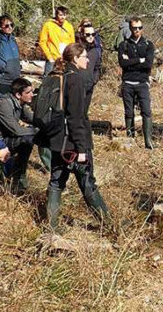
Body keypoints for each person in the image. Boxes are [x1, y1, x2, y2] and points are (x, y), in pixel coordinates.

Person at [42, 42, 112, 233]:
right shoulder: (77, 79)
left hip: (57, 140)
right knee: (87, 181)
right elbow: (76, 117)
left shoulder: (57, 75)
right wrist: (81, 148)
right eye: (84, 56)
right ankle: (110, 225)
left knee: (56, 182)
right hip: (73, 142)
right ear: (75, 58)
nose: (88, 59)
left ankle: (52, 227)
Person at [0, 78, 37, 194]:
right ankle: (10, 179)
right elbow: (16, 130)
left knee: (28, 141)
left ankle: (19, 175)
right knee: (27, 140)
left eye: (32, 91)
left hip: (5, 138)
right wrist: (37, 132)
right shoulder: (4, 103)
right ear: (18, 94)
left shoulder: (20, 103)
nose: (32, 94)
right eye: (28, 92)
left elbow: (32, 119)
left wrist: (50, 124)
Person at [117, 17, 155, 149]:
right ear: (130, 28)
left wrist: (131, 61)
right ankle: (130, 139)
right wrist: (140, 60)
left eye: (139, 28)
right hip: (127, 83)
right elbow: (122, 64)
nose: (137, 30)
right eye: (134, 28)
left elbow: (148, 64)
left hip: (142, 83)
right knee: (129, 112)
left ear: (142, 28)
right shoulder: (124, 45)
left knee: (146, 111)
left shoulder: (148, 45)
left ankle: (148, 141)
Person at [0, 15, 22, 95]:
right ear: (0, 27)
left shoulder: (13, 41)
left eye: (11, 25)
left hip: (15, 81)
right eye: (6, 26)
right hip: (1, 82)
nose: (10, 27)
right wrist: (2, 68)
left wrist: (18, 66)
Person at [38, 6, 75, 78]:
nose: (63, 17)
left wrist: (71, 57)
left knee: (66, 81)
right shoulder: (48, 25)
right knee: (48, 80)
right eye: (60, 15)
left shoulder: (69, 26)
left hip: (65, 59)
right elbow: (42, 42)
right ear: (56, 15)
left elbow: (72, 43)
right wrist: (49, 57)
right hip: (53, 59)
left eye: (64, 15)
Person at [77, 19, 104, 118]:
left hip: (89, 84)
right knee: (75, 112)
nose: (91, 37)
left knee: (84, 112)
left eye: (93, 34)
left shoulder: (96, 50)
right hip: (76, 85)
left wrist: (94, 79)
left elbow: (98, 67)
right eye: (88, 35)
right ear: (82, 35)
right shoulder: (76, 49)